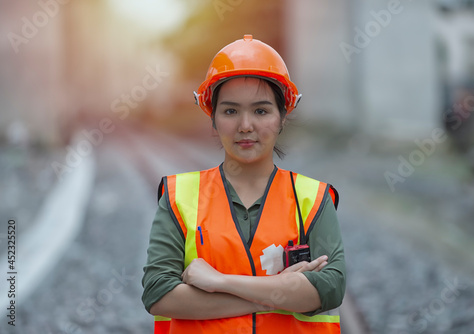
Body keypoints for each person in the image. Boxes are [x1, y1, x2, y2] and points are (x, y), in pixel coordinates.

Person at [142, 34, 346, 333]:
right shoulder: (178, 196)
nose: (245, 125)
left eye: (261, 110)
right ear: (213, 118)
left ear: (282, 117)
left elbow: (330, 287)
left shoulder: (313, 199)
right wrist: (277, 292)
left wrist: (219, 282)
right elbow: (159, 293)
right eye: (230, 111)